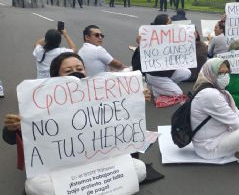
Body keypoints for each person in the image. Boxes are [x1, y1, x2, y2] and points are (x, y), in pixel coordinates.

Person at [3, 52, 148, 195]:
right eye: (68, 71)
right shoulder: (41, 101)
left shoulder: (102, 92)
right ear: (55, 76)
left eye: (79, 69)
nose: (75, 73)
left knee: (140, 169)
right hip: (62, 169)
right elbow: (10, 139)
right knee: (35, 186)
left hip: (100, 163)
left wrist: (136, 99)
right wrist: (13, 127)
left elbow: (123, 119)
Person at [190, 58, 239, 162]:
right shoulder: (209, 94)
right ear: (210, 73)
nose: (225, 76)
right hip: (209, 147)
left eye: (227, 72)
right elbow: (234, 121)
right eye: (221, 73)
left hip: (220, 134)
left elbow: (236, 113)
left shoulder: (220, 91)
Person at [131, 14, 191, 101]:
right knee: (178, 93)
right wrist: (141, 45)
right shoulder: (151, 38)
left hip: (167, 71)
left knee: (187, 72)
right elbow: (138, 59)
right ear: (162, 25)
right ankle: (156, 89)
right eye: (169, 23)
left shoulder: (171, 36)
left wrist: (189, 37)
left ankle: (163, 87)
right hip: (154, 74)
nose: (172, 25)